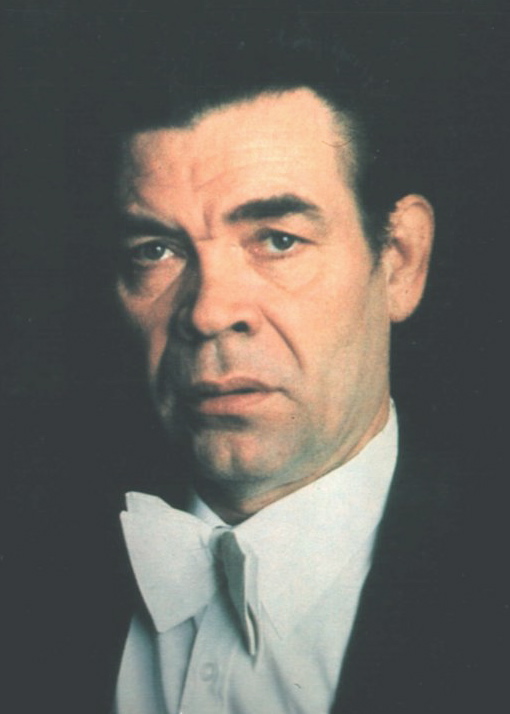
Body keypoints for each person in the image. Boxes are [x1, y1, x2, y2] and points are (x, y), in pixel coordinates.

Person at [1, 18, 500, 714]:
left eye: (277, 239)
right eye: (156, 250)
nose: (209, 312)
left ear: (400, 260)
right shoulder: (27, 571)